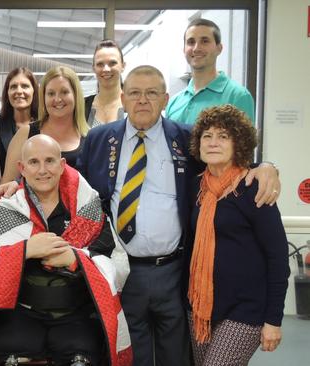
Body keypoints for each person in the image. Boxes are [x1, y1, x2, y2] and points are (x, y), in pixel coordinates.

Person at [76, 65, 280, 366]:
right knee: (132, 355)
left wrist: (268, 166)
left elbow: (228, 161)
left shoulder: (187, 139)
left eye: (152, 93)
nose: (142, 100)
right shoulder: (98, 139)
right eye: (134, 92)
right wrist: (16, 184)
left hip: (174, 273)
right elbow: (72, 183)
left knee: (177, 356)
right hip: (122, 272)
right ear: (122, 97)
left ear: (165, 98)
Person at [0, 135, 131, 366]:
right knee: (9, 345)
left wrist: (76, 259)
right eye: (34, 162)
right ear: (21, 168)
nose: (42, 170)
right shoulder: (5, 212)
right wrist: (24, 251)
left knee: (83, 350)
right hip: (19, 313)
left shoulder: (88, 208)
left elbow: (116, 264)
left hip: (76, 313)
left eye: (50, 161)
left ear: (63, 165)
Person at [186, 104, 289, 365]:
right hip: (201, 309)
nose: (213, 142)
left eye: (223, 136)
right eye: (207, 136)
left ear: (238, 143)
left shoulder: (253, 187)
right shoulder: (198, 188)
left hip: (246, 311)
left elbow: (278, 258)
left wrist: (273, 320)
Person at [0, 65, 88, 183]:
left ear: (76, 95)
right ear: (43, 97)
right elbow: (6, 187)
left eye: (64, 92)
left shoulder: (90, 138)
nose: (57, 99)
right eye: (51, 93)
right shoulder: (25, 134)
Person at [165, 18, 255, 124]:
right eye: (191, 42)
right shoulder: (174, 103)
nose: (196, 48)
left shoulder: (237, 96)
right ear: (184, 50)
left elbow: (245, 140)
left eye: (204, 41)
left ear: (219, 48)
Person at [0, 67, 39, 172]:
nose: (19, 91)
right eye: (13, 87)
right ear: (7, 93)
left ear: (34, 91)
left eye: (25, 86)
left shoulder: (45, 126)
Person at [84, 39, 126, 127]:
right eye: (100, 64)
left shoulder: (134, 104)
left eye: (112, 63)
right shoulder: (82, 106)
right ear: (93, 68)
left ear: (123, 66)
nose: (106, 69)